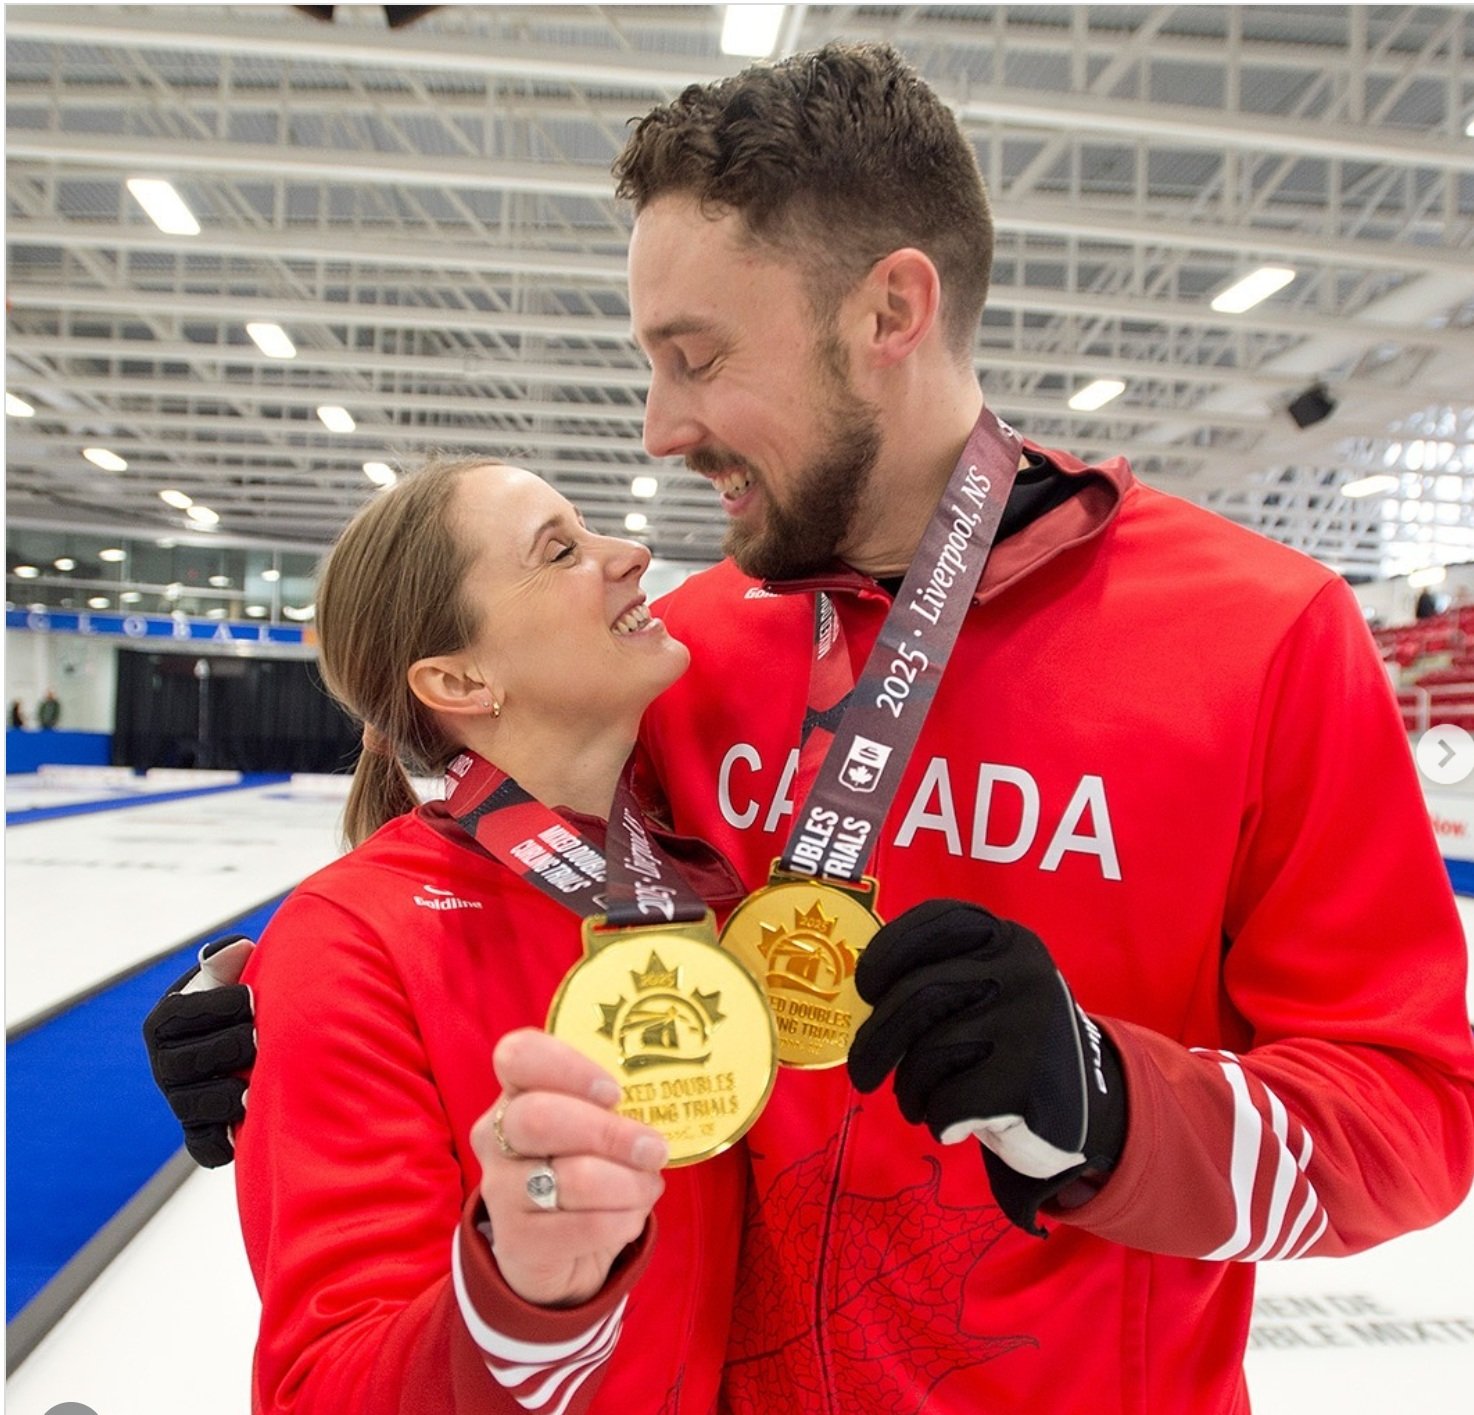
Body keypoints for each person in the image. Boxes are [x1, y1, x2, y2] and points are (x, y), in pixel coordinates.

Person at [147, 41, 1474, 1414]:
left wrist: (1109, 1101)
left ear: (889, 308)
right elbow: (526, 876)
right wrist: (283, 1015)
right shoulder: (694, 655)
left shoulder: (1261, 632)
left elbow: (1412, 1119)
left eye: (697, 356)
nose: (661, 430)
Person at [199, 456, 749, 1413]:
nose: (634, 553)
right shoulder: (349, 941)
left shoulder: (706, 885)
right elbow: (326, 1380)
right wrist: (515, 1301)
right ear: (458, 676)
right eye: (561, 549)